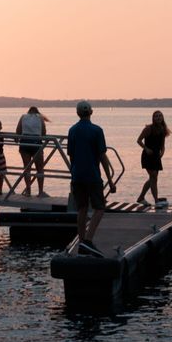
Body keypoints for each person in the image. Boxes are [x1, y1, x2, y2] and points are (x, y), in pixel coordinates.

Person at [67, 101, 114, 257]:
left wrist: (73, 174)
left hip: (77, 175)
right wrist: (110, 179)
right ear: (91, 112)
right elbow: (102, 156)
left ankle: (81, 243)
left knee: (82, 208)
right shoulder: (97, 131)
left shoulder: (72, 130)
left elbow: (71, 155)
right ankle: (88, 241)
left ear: (78, 113)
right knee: (99, 208)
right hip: (92, 175)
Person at [136, 110, 171, 207]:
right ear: (153, 118)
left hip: (156, 156)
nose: (158, 118)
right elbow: (138, 140)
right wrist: (146, 148)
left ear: (162, 118)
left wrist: (162, 152)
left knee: (153, 178)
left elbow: (163, 145)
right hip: (148, 155)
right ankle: (156, 201)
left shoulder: (163, 129)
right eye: (156, 116)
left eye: (160, 116)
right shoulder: (148, 129)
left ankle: (141, 198)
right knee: (153, 177)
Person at [16, 106, 49, 197]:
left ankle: (28, 190)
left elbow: (18, 131)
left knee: (27, 169)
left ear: (28, 111)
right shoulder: (40, 118)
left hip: (25, 143)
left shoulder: (23, 117)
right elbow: (43, 133)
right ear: (37, 112)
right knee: (40, 169)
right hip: (36, 144)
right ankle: (40, 191)